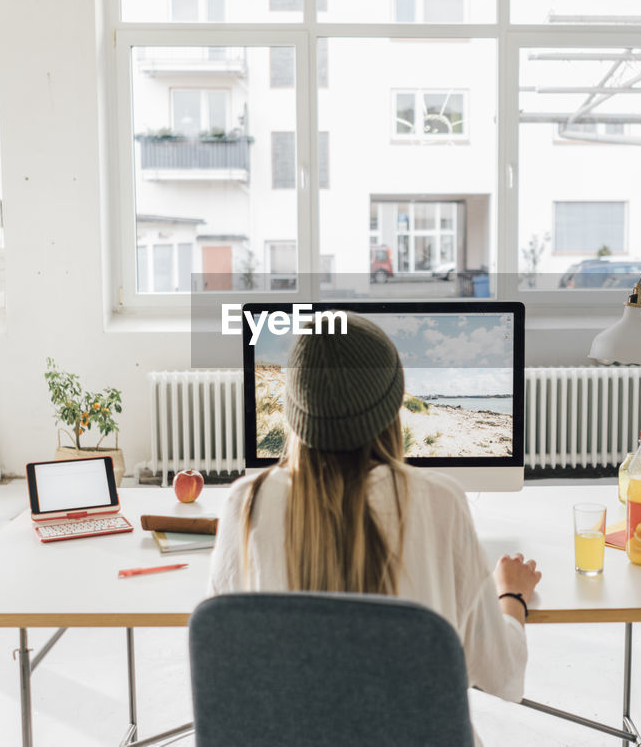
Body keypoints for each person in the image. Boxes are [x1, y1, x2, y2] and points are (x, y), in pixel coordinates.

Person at [209, 312, 542, 735]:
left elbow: (230, 665)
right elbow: (502, 677)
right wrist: (513, 594)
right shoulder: (440, 502)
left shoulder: (246, 502)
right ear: (394, 406)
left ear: (295, 412)